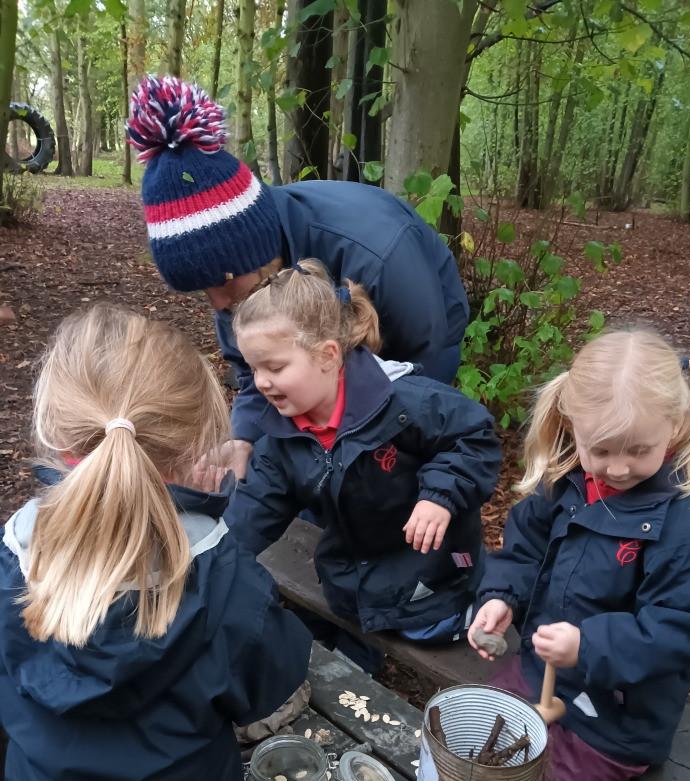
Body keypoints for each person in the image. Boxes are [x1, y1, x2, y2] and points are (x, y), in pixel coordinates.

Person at [0, 305, 312, 781]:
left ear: (54, 429)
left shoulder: (11, 559)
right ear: (193, 440)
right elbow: (271, 679)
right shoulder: (223, 577)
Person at [126, 75, 470, 480]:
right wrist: (245, 437)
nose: (218, 303)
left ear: (256, 249)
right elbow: (255, 368)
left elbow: (422, 374)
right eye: (203, 289)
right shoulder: (238, 278)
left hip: (418, 338)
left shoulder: (377, 254)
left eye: (221, 283)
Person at [468, 329, 690, 781]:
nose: (616, 467)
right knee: (479, 745)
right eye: (601, 449)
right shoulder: (569, 480)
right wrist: (502, 597)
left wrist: (587, 648)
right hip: (538, 670)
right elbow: (525, 548)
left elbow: (684, 626)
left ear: (674, 428)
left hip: (615, 716)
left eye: (637, 451)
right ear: (573, 426)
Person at [224, 259, 501, 649]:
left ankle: (464, 605)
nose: (262, 382)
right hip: (357, 560)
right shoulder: (282, 433)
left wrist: (441, 495)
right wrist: (213, 556)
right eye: (254, 369)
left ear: (327, 355)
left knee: (427, 628)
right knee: (342, 616)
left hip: (427, 562)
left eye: (275, 367)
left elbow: (475, 436)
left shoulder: (405, 402)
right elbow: (257, 503)